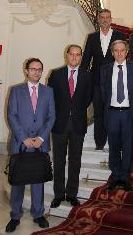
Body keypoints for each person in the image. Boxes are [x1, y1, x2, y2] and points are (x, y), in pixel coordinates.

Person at [6, 58, 55, 233]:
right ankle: (15, 215)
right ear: (26, 71)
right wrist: (24, 138)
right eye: (33, 69)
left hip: (40, 145)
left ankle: (38, 213)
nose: (36, 72)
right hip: (21, 144)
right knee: (18, 181)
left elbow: (51, 117)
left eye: (39, 69)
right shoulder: (16, 91)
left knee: (38, 181)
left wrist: (41, 138)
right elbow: (12, 115)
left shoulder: (48, 92)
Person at [48, 45, 92, 208]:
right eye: (71, 54)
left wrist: (77, 111)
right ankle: (59, 194)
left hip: (78, 124)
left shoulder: (87, 76)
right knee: (58, 160)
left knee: (75, 160)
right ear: (66, 55)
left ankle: (72, 194)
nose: (74, 57)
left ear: (81, 57)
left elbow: (88, 98)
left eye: (77, 55)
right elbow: (50, 98)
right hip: (59, 124)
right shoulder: (56, 74)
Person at [100, 40, 133, 192]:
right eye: (116, 50)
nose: (119, 53)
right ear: (112, 52)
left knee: (127, 146)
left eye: (122, 50)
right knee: (114, 146)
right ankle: (116, 176)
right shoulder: (105, 69)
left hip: (128, 113)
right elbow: (104, 92)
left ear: (127, 52)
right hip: (111, 113)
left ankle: (125, 178)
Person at [81, 9, 126, 150]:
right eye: (102, 17)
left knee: (114, 112)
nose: (105, 20)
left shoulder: (119, 35)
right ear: (98, 20)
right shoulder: (92, 37)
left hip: (116, 81)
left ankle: (113, 142)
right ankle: (100, 143)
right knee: (98, 113)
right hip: (97, 82)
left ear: (111, 19)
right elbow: (85, 61)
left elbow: (124, 58)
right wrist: (83, 81)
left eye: (107, 17)